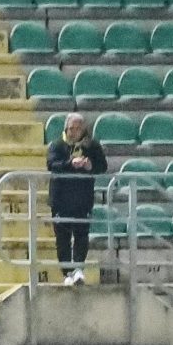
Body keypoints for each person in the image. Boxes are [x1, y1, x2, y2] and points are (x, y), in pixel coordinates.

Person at [45, 112, 107, 285]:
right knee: (62, 238)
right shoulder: (57, 145)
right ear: (66, 129)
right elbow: (52, 165)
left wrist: (90, 165)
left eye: (79, 128)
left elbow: (102, 166)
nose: (75, 132)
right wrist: (70, 164)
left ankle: (79, 268)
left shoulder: (92, 146)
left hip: (83, 199)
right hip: (60, 199)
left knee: (81, 235)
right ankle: (67, 273)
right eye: (72, 128)